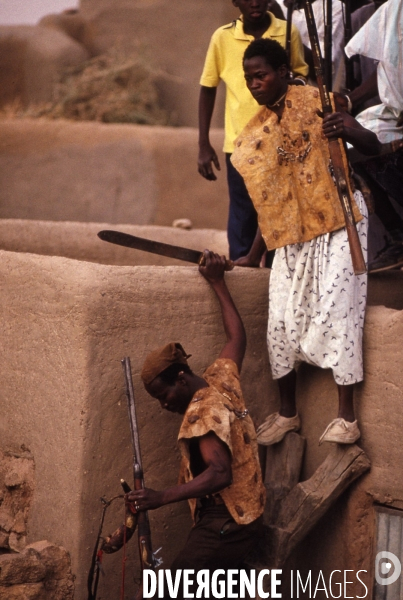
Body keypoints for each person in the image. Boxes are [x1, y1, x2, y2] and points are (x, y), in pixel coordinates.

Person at [230, 38, 380, 445]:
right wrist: (251, 256)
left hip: (338, 223)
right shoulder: (258, 132)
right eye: (248, 78)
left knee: (338, 312)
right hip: (290, 236)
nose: (254, 83)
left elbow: (372, 146)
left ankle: (346, 418)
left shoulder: (320, 101)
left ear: (281, 72)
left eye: (260, 75)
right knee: (279, 319)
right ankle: (287, 414)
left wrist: (348, 127)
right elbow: (270, 200)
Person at [127, 251, 265, 596]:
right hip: (247, 514)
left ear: (182, 377)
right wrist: (218, 282)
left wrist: (160, 497)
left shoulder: (201, 413)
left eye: (164, 394)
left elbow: (220, 473)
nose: (164, 405)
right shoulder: (220, 379)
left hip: (226, 523)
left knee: (169, 590)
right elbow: (236, 338)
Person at [198, 0, 308, 262]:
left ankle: (273, 276)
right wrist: (203, 143)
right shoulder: (222, 37)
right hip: (239, 143)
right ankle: (242, 278)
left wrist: (292, 83)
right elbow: (208, 87)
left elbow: (302, 76)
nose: (255, 2)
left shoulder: (287, 31)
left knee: (277, 211)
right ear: (235, 2)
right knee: (243, 214)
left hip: (280, 140)